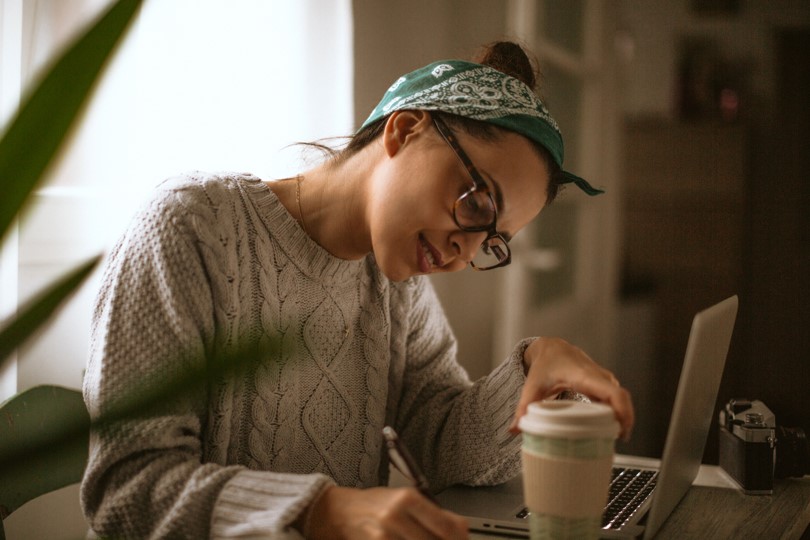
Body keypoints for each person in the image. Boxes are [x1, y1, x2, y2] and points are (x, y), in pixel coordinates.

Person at [81, 41, 634, 539]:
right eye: (475, 203)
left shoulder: (396, 285)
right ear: (404, 130)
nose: (464, 252)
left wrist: (533, 373)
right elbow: (127, 491)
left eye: (492, 242)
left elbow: (439, 442)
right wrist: (317, 512)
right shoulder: (191, 229)